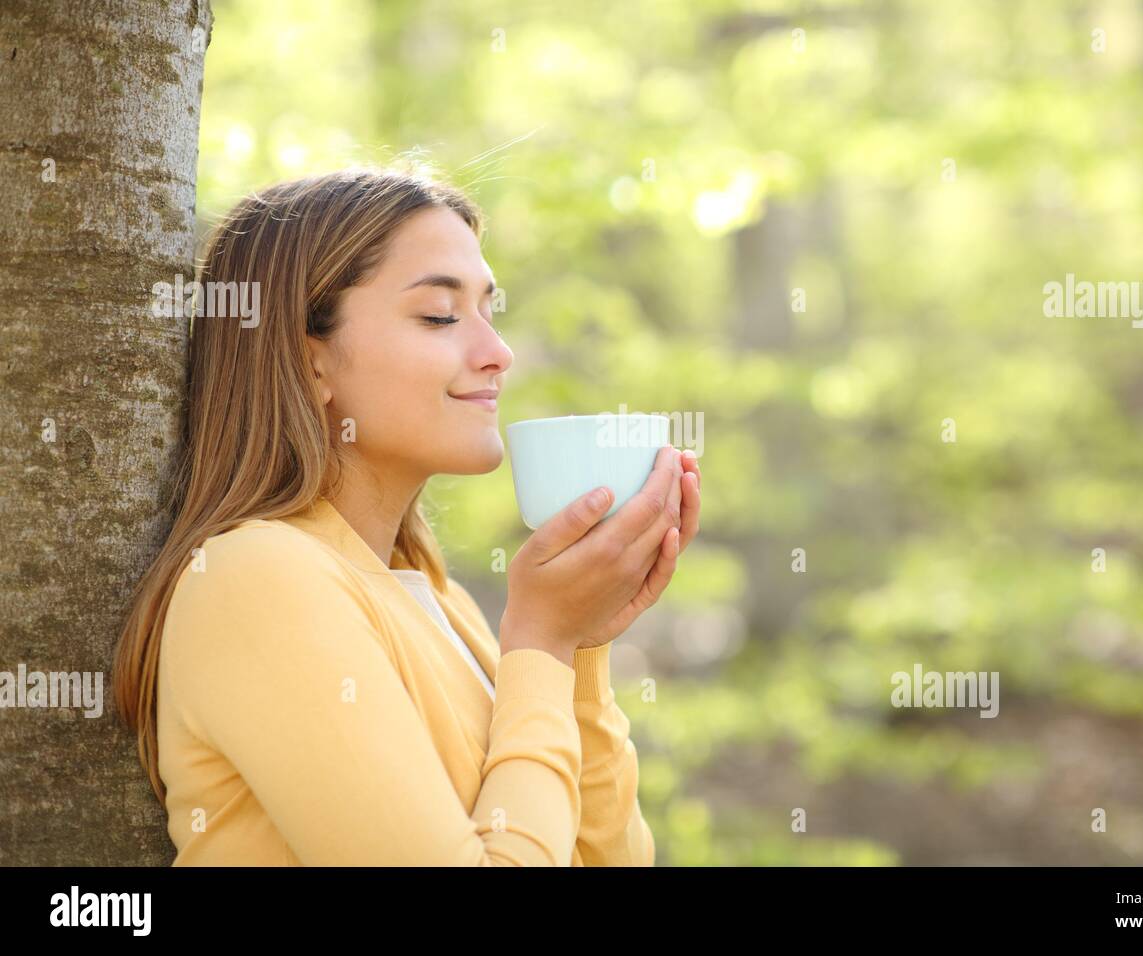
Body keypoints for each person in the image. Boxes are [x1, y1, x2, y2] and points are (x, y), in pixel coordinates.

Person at [112, 167, 703, 865]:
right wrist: (543, 642)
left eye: (490, 310)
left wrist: (578, 647)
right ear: (310, 363)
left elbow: (606, 860)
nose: (498, 353)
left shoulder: (443, 603)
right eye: (440, 316)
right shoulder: (253, 579)